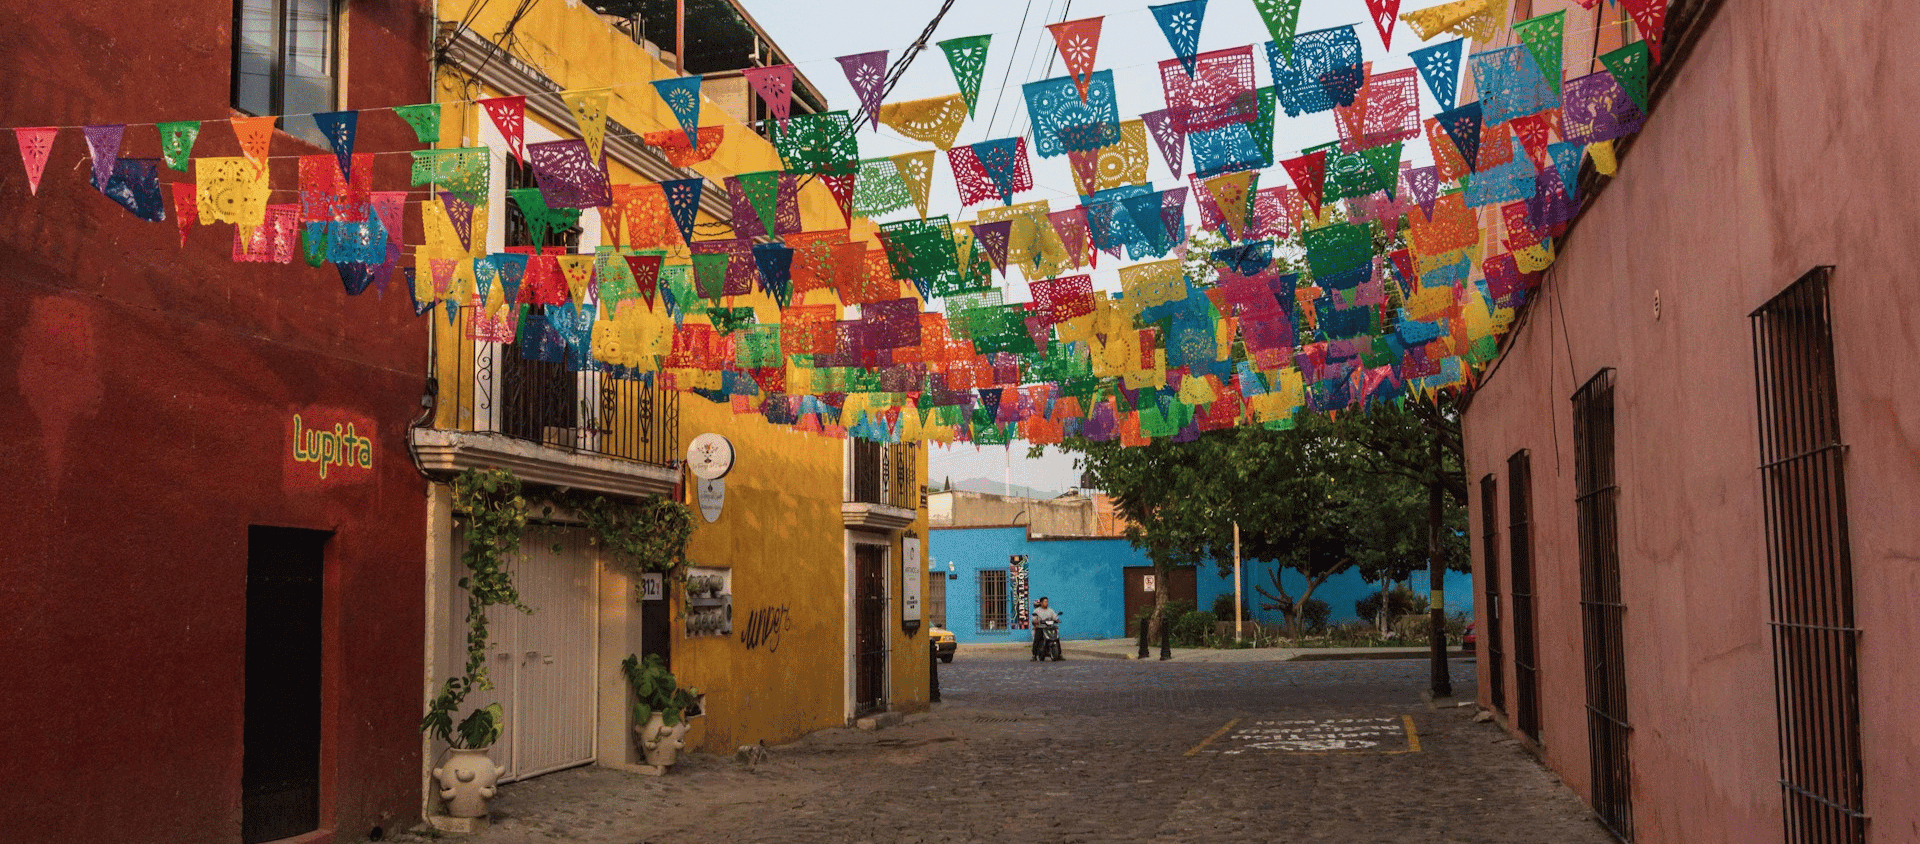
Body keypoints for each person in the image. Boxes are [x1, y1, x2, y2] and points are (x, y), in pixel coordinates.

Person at [1031, 597, 1061, 661]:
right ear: (1041, 603)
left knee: (1056, 638)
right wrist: (1036, 621)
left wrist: (1057, 620)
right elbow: (1034, 619)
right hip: (1041, 627)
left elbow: (1055, 617)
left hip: (1050, 628)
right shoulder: (1037, 610)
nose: (1046, 603)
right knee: (1037, 639)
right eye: (1045, 602)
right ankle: (1034, 655)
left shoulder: (1050, 610)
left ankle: (1059, 654)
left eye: (1047, 602)